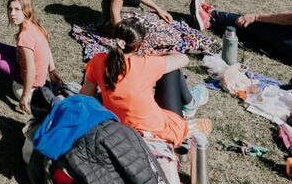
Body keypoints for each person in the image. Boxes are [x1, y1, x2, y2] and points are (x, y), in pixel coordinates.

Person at [81, 18, 209, 149]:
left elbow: (84, 97)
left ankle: (190, 103)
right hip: (154, 128)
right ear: (139, 46)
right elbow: (184, 59)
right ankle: (190, 103)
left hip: (119, 124)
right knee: (172, 71)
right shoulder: (146, 64)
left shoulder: (98, 61)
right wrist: (160, 55)